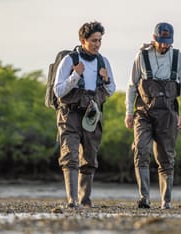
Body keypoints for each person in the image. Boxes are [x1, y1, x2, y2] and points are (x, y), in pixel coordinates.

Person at [125, 22, 181, 209]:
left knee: (166, 157)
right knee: (141, 151)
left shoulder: (179, 58)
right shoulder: (141, 56)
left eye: (167, 42)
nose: (164, 45)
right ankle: (144, 197)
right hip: (143, 113)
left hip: (168, 114)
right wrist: (129, 112)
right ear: (154, 39)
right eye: (161, 42)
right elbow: (132, 86)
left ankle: (166, 201)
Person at [54, 21, 116, 208]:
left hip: (92, 116)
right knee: (70, 156)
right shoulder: (69, 61)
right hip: (70, 115)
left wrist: (106, 80)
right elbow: (58, 91)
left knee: (89, 157)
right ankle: (72, 200)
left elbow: (112, 89)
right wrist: (75, 76)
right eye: (93, 40)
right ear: (83, 40)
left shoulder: (103, 62)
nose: (97, 44)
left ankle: (85, 200)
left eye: (99, 40)